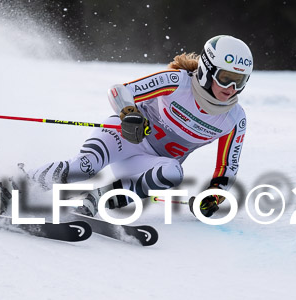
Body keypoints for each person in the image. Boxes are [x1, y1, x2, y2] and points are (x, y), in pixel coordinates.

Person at [14, 34, 253, 218]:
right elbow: (120, 91)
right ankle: (19, 184)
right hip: (124, 138)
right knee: (84, 167)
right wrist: (129, 114)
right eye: (225, 77)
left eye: (239, 80)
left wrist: (214, 197)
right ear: (207, 70)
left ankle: (97, 200)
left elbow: (227, 167)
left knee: (173, 173)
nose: (231, 88)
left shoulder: (234, 119)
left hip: (145, 167)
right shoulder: (177, 82)